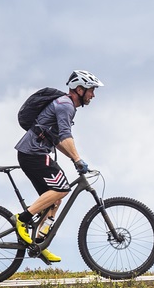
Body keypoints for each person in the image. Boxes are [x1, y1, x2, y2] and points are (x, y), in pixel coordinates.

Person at [12, 70, 101, 263]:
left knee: (54, 199)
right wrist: (77, 159)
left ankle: (38, 243)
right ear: (79, 89)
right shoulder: (65, 105)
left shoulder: (65, 105)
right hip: (33, 154)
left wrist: (73, 158)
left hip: (33, 153)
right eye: (91, 91)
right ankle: (22, 219)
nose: (93, 95)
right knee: (61, 188)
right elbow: (65, 136)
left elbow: (57, 139)